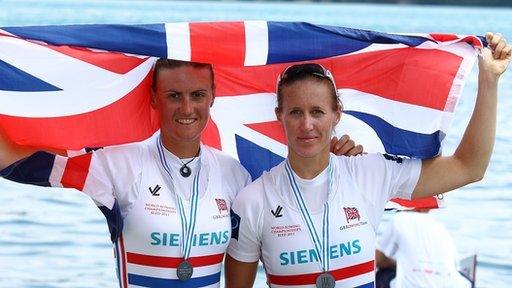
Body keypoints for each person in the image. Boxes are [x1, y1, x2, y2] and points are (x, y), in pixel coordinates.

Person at [0, 59, 362, 287]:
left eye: (197, 95)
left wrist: (330, 157)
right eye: (174, 95)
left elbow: (295, 191)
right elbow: (12, 161)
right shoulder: (116, 163)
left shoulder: (235, 175)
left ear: (212, 98)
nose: (186, 108)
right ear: (154, 98)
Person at [224, 32, 511, 288]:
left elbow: (468, 167)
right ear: (279, 116)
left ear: (337, 114)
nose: (307, 124)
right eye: (296, 112)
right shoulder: (252, 201)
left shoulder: (371, 172)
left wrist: (489, 80)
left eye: (318, 112)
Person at [375, 209, 471, 288]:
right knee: (461, 276)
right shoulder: (440, 226)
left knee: (382, 274)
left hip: (412, 285)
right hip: (455, 284)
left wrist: (396, 264)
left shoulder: (400, 218)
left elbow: (377, 260)